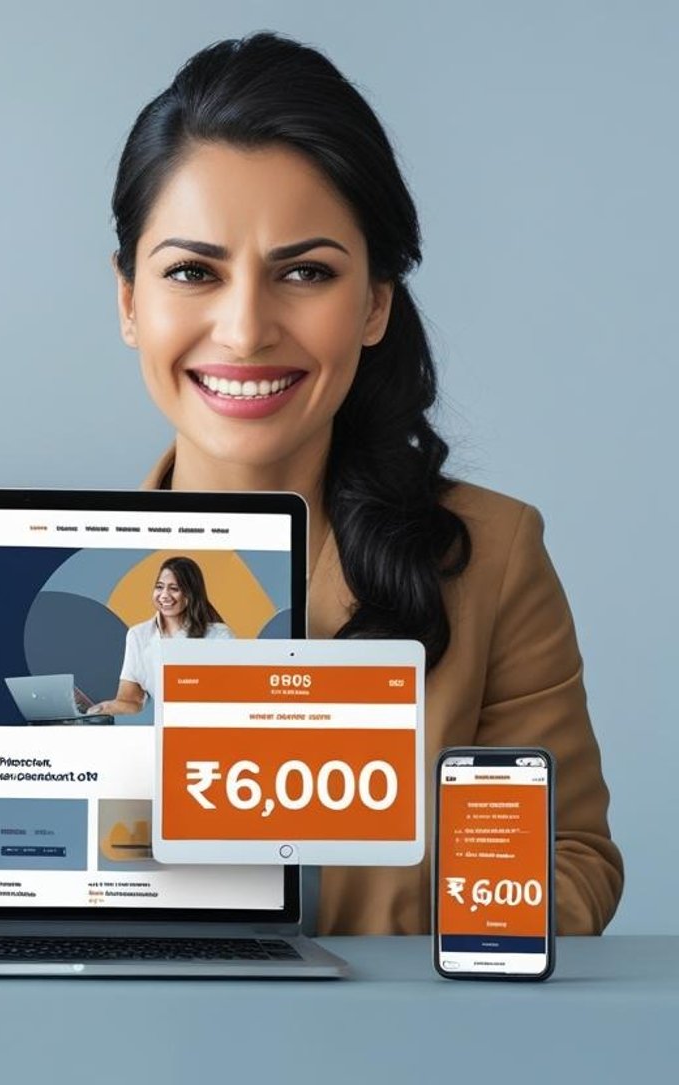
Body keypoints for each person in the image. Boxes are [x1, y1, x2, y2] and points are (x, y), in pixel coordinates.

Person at [108, 33, 622, 932]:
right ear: (129, 302)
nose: (244, 330)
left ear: (376, 303)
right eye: (193, 271)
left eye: (305, 272)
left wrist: (419, 942)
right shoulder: (63, 573)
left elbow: (570, 858)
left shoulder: (492, 558)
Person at [87, 555, 233, 717]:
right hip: (166, 727)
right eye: (159, 587)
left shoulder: (219, 635)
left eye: (174, 589)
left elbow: (231, 692)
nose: (164, 595)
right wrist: (104, 708)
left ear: (191, 594)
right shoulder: (138, 635)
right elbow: (131, 700)